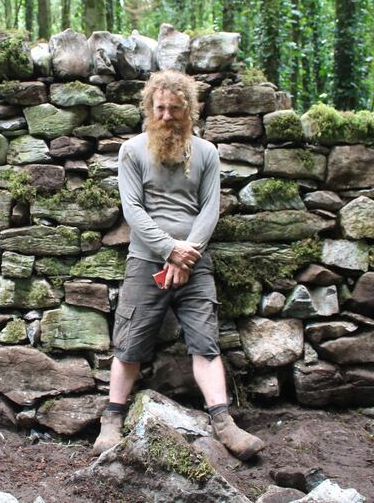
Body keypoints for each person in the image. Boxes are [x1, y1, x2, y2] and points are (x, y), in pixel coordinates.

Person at [92, 70, 265, 461]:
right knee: (130, 344)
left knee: (205, 343)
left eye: (174, 108)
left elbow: (209, 208)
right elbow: (132, 209)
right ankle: (111, 420)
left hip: (196, 262)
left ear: (188, 109)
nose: (167, 116)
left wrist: (189, 253)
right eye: (160, 108)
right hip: (146, 261)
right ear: (149, 109)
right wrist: (170, 250)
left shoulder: (206, 153)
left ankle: (225, 425)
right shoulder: (132, 151)